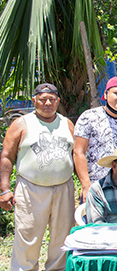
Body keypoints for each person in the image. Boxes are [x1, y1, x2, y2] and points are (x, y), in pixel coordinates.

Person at [0, 83, 76, 271]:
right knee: (28, 235)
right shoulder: (21, 123)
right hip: (30, 189)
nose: (47, 103)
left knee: (62, 238)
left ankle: (58, 269)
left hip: (63, 188)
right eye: (42, 99)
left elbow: (77, 155)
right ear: (34, 101)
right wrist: (5, 189)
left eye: (52, 99)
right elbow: (7, 157)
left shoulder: (66, 123)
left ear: (58, 101)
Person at [73, 76, 117, 202]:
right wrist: (86, 186)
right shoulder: (88, 118)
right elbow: (78, 152)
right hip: (96, 187)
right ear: (106, 94)